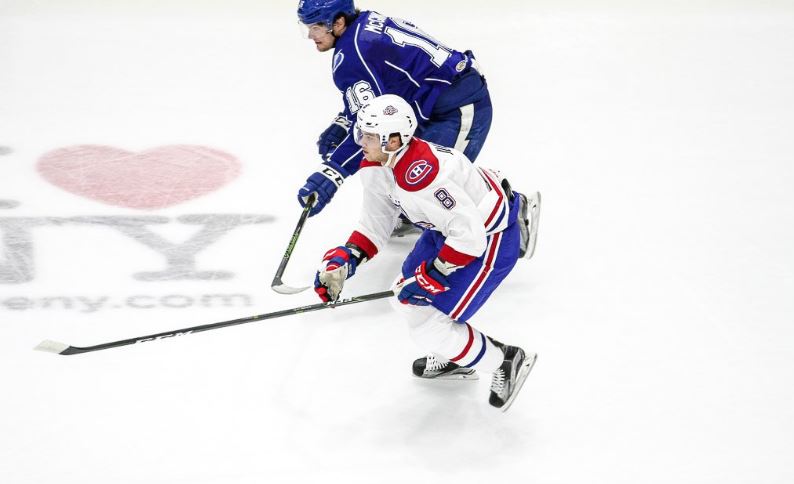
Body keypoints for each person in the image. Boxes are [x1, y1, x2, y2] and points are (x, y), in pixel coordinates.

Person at [312, 94, 540, 411]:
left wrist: (432, 275)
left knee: (430, 324)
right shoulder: (377, 163)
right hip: (445, 230)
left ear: (393, 141)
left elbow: (470, 238)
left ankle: (504, 360)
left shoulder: (424, 176)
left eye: (369, 135)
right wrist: (345, 259)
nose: (360, 140)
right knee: (403, 299)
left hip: (490, 238)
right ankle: (457, 357)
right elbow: (374, 225)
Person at [295, 0, 493, 223]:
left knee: (432, 183)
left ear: (339, 22)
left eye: (316, 27)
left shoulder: (351, 57)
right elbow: (383, 89)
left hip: (459, 108)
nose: (311, 35)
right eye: (307, 28)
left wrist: (333, 172)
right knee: (395, 170)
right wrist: (343, 122)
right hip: (434, 102)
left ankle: (511, 207)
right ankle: (414, 215)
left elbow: (374, 126)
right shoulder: (365, 23)